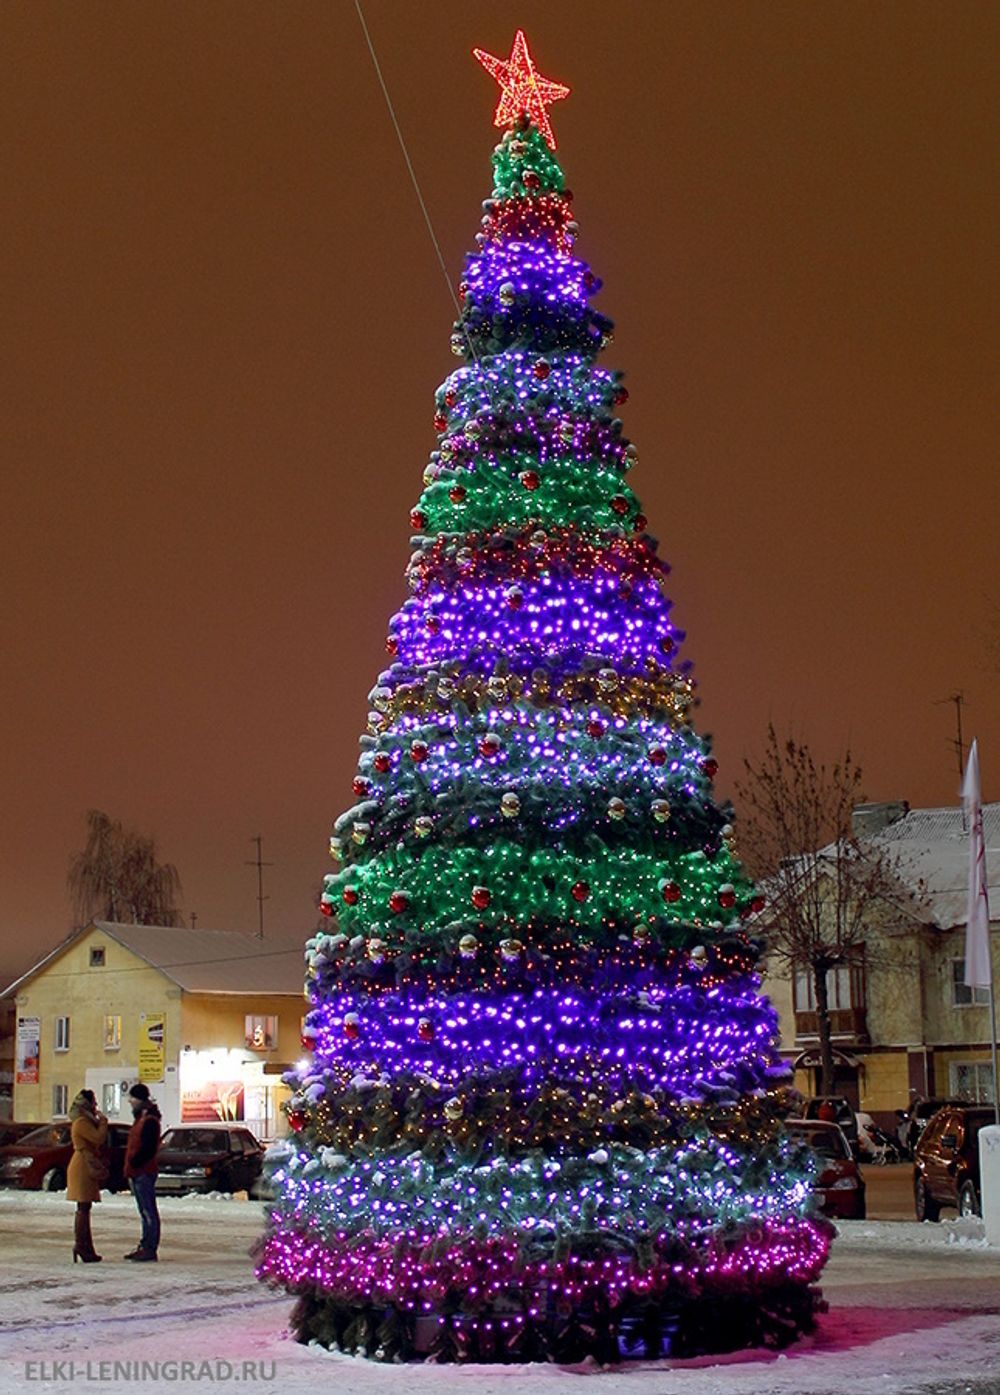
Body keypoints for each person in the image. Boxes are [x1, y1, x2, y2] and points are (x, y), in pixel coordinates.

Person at [66, 1088, 108, 1263]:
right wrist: (104, 1122)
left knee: (84, 1207)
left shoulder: (83, 1120)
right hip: (83, 1165)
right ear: (87, 1105)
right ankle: (83, 1247)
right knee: (83, 1207)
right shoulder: (82, 1122)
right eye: (94, 1102)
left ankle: (84, 1246)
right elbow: (98, 1138)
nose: (96, 1106)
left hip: (84, 1162)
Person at [124, 1082, 161, 1262]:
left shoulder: (149, 1121)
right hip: (138, 1171)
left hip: (143, 1171)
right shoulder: (141, 1119)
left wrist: (135, 1162)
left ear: (140, 1099)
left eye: (132, 1098)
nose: (130, 1101)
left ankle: (149, 1247)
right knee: (145, 1210)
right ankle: (146, 1244)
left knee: (148, 1211)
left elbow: (148, 1148)